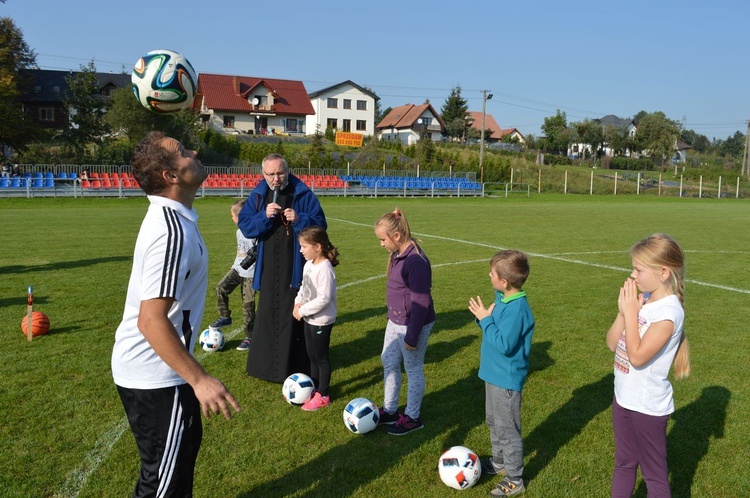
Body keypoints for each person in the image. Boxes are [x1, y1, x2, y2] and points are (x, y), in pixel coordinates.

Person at [111, 131, 240, 497]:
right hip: (154, 376)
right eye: (182, 152)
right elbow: (150, 320)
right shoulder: (170, 231)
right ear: (170, 176)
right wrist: (200, 380)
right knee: (161, 486)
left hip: (165, 372)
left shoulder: (178, 219)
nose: (194, 151)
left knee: (175, 474)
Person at [606, 233, 690, 498]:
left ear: (663, 272)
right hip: (624, 398)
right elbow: (611, 343)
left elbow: (638, 357)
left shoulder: (669, 312)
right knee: (624, 462)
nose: (633, 275)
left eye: (638, 269)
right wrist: (623, 312)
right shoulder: (645, 300)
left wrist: (632, 314)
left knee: (654, 475)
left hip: (648, 408)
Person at [237, 153, 327, 383]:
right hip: (268, 267)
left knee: (294, 313)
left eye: (280, 173)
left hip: (295, 265)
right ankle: (264, 367)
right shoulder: (258, 195)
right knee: (267, 313)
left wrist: (299, 218)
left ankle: (294, 366)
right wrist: (264, 216)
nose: (276, 179)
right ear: (263, 174)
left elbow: (321, 226)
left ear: (287, 171)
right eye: (271, 174)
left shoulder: (303, 193)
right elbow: (246, 226)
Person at [468, 250, 535, 497]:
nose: (489, 274)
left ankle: (515, 478)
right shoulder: (504, 299)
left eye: (492, 272)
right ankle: (499, 462)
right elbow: (493, 328)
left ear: (504, 281)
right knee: (494, 421)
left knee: (508, 429)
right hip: (493, 375)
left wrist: (486, 319)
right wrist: (484, 316)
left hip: (506, 379)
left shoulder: (517, 309)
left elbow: (505, 344)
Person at [373, 208, 435, 435]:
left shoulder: (415, 261)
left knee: (413, 368)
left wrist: (412, 335)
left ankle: (412, 416)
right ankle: (390, 410)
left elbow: (421, 301)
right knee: (389, 362)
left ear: (396, 236)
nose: (381, 244)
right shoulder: (398, 254)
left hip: (412, 324)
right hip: (395, 321)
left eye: (382, 239)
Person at [293, 226, 339, 411]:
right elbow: (304, 288)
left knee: (321, 358)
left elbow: (324, 298)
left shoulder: (325, 269)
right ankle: (315, 387)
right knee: (311, 355)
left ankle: (324, 395)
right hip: (309, 319)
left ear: (318, 246)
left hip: (321, 320)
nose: (301, 250)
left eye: (304, 246)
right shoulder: (309, 264)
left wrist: (302, 311)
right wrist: (298, 303)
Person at [209, 199, 257, 351]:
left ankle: (249, 337)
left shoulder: (255, 232)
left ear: (240, 217)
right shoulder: (238, 232)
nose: (231, 218)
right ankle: (225, 316)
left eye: (233, 215)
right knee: (221, 288)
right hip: (237, 269)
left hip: (251, 273)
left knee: (247, 306)